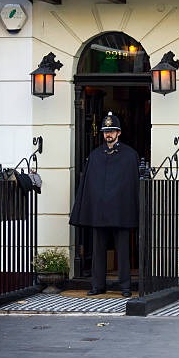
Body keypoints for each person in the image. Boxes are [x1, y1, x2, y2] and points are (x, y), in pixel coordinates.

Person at [70, 111, 140, 298]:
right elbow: (89, 184)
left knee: (122, 250)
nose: (108, 134)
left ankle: (125, 286)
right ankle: (97, 285)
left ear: (119, 133)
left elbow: (132, 186)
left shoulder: (129, 155)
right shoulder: (95, 155)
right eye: (105, 131)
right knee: (98, 250)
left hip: (120, 211)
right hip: (99, 212)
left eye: (112, 131)